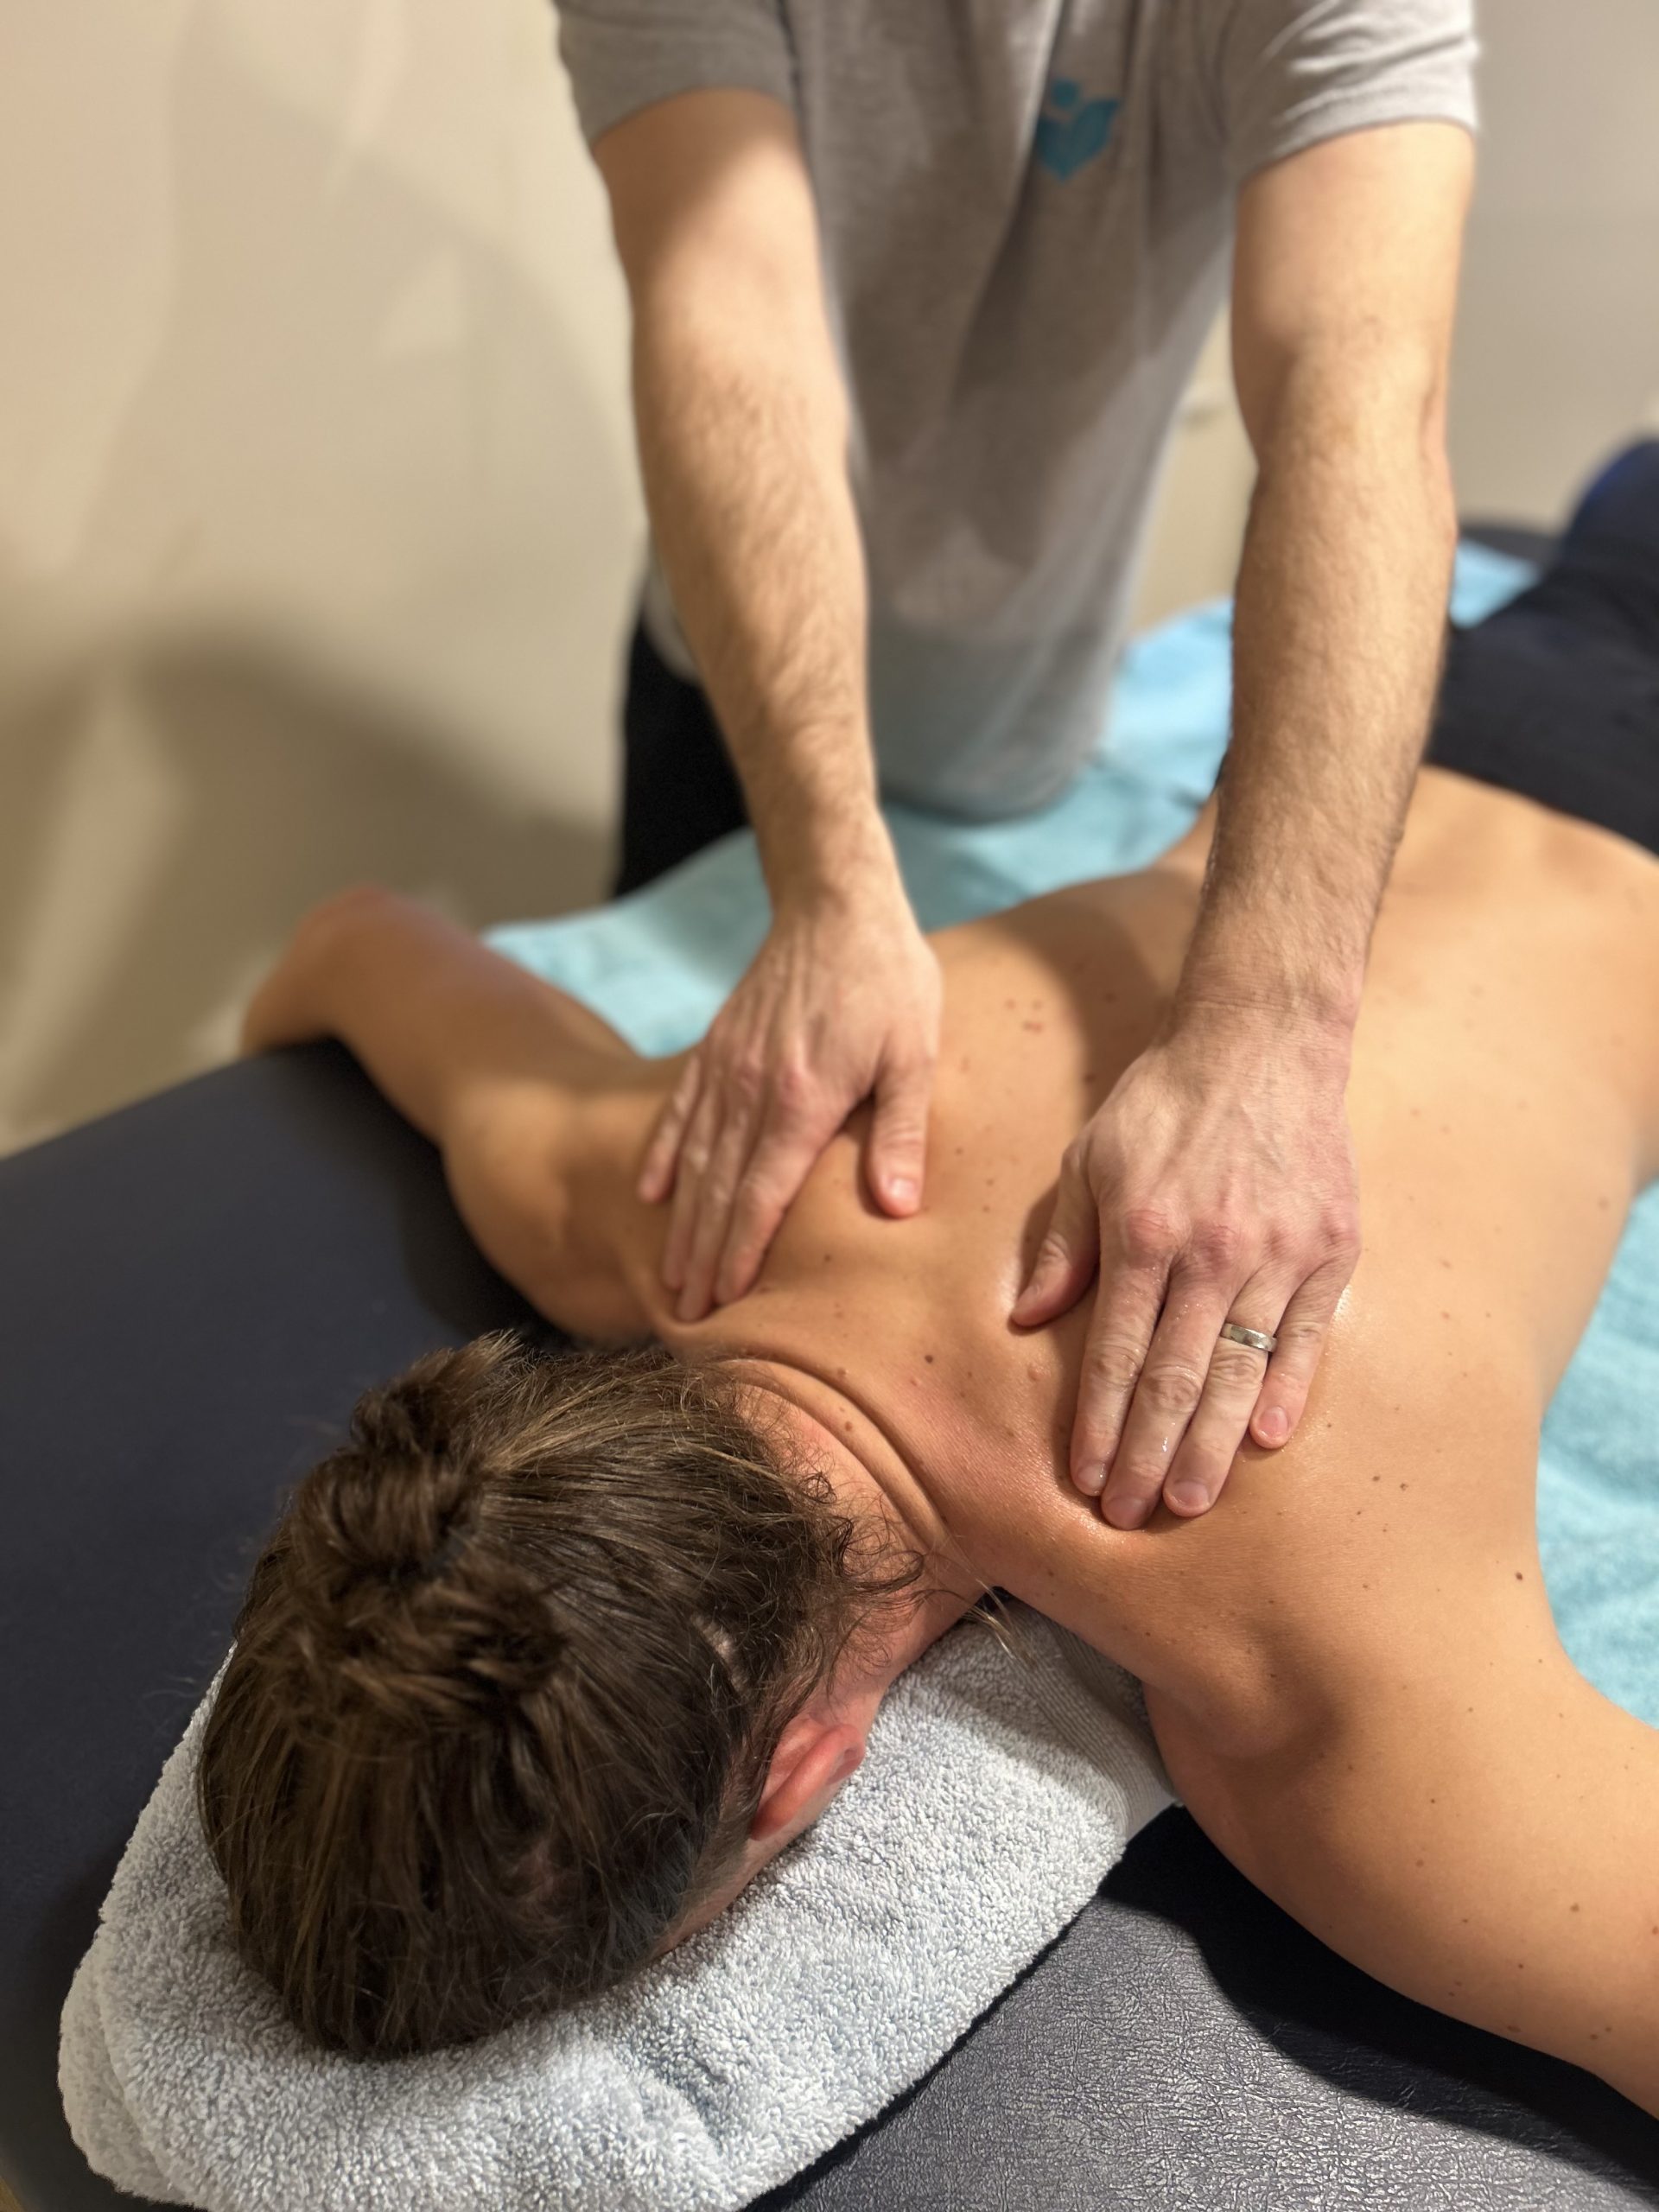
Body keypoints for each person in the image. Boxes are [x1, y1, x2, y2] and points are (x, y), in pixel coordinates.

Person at [200, 463, 1659, 2111]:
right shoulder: (623, 1195)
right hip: (1503, 681)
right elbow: (347, 940)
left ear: (800, 1775)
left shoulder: (1312, 1703)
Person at [559, 1, 1479, 1527]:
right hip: (725, 696)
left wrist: (1269, 1032)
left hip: (1029, 700)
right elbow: (729, 311)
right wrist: (830, 883)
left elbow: (1362, 392)